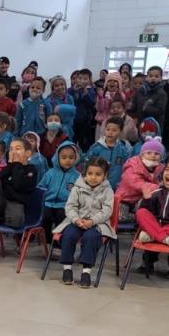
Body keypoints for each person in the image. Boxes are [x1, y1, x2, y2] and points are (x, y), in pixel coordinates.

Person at [53, 157, 115, 287]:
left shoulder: (108, 190)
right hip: (77, 221)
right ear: (84, 174)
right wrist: (76, 220)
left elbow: (107, 211)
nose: (93, 177)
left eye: (98, 174)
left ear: (105, 175)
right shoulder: (77, 187)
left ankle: (86, 272)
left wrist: (92, 221)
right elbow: (70, 207)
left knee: (91, 237)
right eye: (90, 174)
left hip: (97, 224)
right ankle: (67, 269)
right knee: (68, 235)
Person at [0, 137, 39, 230]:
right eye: (11, 149)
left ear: (28, 153)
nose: (13, 152)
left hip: (16, 202)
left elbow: (18, 185)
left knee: (15, 222)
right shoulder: (9, 167)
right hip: (1, 202)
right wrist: (10, 165)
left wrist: (17, 164)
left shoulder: (31, 170)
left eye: (17, 149)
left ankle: (3, 218)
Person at [40, 141, 82, 235]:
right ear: (57, 158)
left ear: (75, 158)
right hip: (48, 203)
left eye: (71, 158)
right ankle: (47, 239)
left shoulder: (77, 176)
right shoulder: (50, 173)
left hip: (65, 205)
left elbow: (80, 193)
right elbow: (41, 187)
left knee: (62, 217)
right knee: (45, 216)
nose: (68, 160)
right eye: (64, 157)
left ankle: (58, 240)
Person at [85, 116, 133, 188]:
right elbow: (87, 163)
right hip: (97, 186)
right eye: (108, 129)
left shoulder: (123, 150)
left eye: (114, 130)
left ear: (120, 131)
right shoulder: (97, 147)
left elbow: (128, 167)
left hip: (116, 186)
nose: (110, 132)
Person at [117, 138, 165, 207]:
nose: (153, 156)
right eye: (149, 153)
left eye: (157, 153)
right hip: (125, 199)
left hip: (143, 198)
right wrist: (158, 187)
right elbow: (134, 182)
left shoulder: (161, 169)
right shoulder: (133, 165)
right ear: (142, 155)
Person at [70, 69, 99, 151]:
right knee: (72, 142)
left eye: (85, 79)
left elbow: (92, 104)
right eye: (80, 78)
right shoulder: (71, 90)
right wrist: (73, 91)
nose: (82, 81)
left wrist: (86, 94)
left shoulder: (91, 91)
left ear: (90, 81)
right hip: (73, 121)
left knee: (84, 144)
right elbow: (69, 100)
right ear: (76, 79)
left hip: (85, 122)